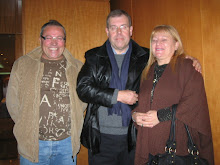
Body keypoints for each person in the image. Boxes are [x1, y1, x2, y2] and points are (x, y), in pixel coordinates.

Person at [76, 10, 202, 165]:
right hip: (101, 137)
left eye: (123, 26)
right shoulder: (94, 57)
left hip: (135, 135)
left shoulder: (146, 57)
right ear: (107, 31)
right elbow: (83, 88)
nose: (119, 32)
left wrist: (187, 59)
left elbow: (168, 60)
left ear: (131, 30)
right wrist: (117, 95)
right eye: (114, 27)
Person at [6, 20, 87, 165]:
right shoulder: (23, 64)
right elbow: (12, 102)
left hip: (67, 144)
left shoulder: (77, 67)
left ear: (65, 41)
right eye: (48, 37)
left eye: (59, 38)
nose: (54, 43)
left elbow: (82, 101)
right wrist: (25, 126)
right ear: (40, 40)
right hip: (33, 144)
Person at [132, 25, 214, 165]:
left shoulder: (188, 67)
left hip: (176, 148)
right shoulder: (147, 71)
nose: (158, 43)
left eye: (164, 39)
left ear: (176, 44)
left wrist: (160, 115)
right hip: (149, 149)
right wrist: (135, 115)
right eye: (154, 39)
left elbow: (194, 103)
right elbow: (142, 102)